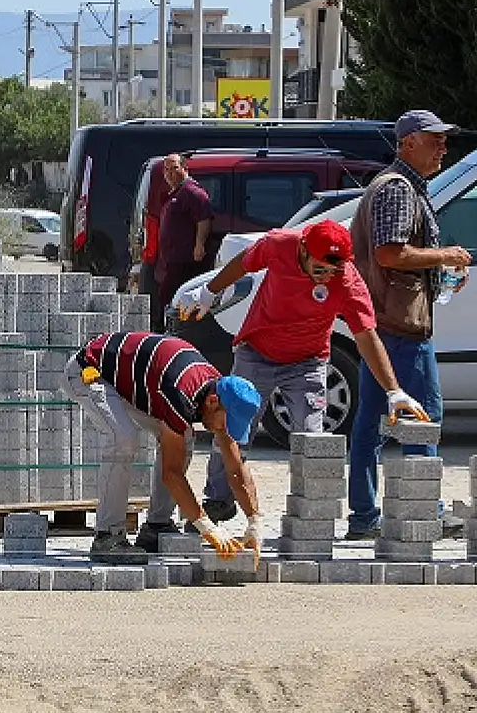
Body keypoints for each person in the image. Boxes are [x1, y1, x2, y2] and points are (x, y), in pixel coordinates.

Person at [175, 218, 432, 525]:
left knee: (312, 438)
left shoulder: (347, 281)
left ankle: (311, 513)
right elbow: (243, 264)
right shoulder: (279, 245)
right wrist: (209, 291)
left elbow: (367, 336)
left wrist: (394, 390)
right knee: (231, 430)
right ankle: (218, 500)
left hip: (307, 363)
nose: (326, 278)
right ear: (304, 251)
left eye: (334, 271)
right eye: (320, 269)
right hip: (257, 352)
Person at [343, 109, 473, 540]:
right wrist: (445, 256)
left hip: (384, 320)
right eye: (434, 139)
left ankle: (365, 516)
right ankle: (424, 514)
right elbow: (390, 254)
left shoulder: (403, 188)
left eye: (443, 139)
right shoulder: (398, 191)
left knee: (370, 422)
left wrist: (440, 270)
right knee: (422, 416)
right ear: (407, 144)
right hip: (399, 323)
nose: (443, 147)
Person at [61, 330, 263, 564]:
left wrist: (254, 521)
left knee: (183, 437)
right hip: (90, 371)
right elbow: (171, 473)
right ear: (212, 402)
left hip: (133, 381)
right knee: (123, 439)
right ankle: (107, 537)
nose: (226, 430)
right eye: (227, 423)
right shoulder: (181, 392)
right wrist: (207, 527)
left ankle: (156, 527)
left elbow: (236, 467)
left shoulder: (219, 393)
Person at [153, 153, 216, 326]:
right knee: (167, 299)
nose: (169, 173)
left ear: (185, 168)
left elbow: (203, 219)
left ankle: (172, 333)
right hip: (171, 261)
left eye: (174, 168)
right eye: (166, 169)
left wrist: (199, 244)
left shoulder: (192, 192)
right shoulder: (175, 193)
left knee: (172, 299)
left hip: (185, 261)